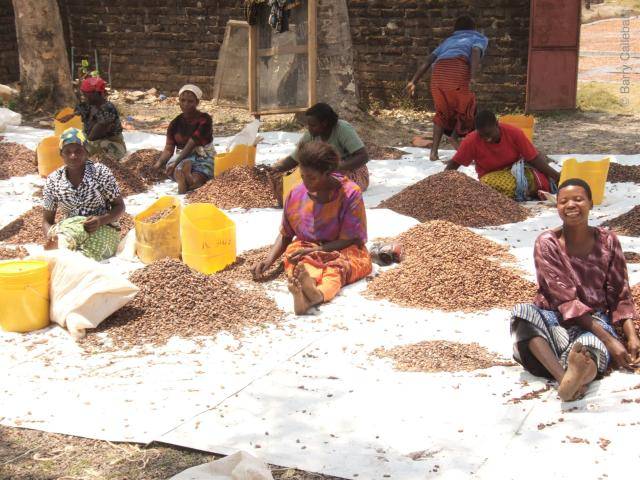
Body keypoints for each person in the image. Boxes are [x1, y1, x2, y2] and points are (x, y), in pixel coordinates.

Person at [510, 179, 640, 402]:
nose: (571, 205)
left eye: (578, 199)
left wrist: (631, 336)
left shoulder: (609, 241)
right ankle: (565, 379)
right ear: (557, 207)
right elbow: (565, 299)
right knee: (523, 313)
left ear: (591, 203)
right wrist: (611, 341)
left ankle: (578, 371)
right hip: (553, 319)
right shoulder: (547, 242)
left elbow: (620, 292)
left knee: (591, 348)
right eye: (563, 201)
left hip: (594, 321)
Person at [252, 141, 372, 315]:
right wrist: (268, 261)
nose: (306, 182)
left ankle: (317, 295)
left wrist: (319, 250)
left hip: (343, 248)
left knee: (336, 268)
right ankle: (307, 290)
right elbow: (286, 234)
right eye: (303, 176)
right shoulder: (295, 194)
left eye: (312, 178)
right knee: (301, 265)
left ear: (328, 173)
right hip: (305, 247)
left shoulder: (350, 193)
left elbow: (350, 238)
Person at [406, 15, 488, 162]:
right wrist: (473, 76)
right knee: (468, 109)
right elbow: (475, 52)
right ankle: (456, 140)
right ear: (473, 28)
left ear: (455, 30)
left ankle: (433, 153)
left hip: (438, 74)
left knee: (442, 112)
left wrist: (413, 81)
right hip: (457, 70)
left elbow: (429, 60)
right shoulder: (478, 38)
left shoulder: (449, 41)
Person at [42, 128, 126, 261]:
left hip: (103, 229)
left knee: (84, 258)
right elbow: (47, 220)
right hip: (70, 231)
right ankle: (61, 243)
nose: (73, 156)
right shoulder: (53, 180)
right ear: (61, 154)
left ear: (86, 152)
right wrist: (52, 237)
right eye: (67, 152)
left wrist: (100, 220)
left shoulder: (100, 172)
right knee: (73, 234)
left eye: (78, 151)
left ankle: (63, 248)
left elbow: (119, 206)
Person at [445, 110, 560, 201]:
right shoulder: (471, 141)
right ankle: (526, 192)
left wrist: (555, 175)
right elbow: (455, 163)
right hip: (490, 177)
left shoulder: (514, 133)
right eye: (482, 136)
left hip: (517, 171)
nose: (487, 139)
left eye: (489, 134)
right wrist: (440, 182)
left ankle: (530, 190)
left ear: (497, 124)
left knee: (541, 180)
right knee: (486, 187)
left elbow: (533, 158)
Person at [270, 102, 370, 192]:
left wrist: (337, 167)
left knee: (331, 182)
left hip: (352, 170)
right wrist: (274, 169)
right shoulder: (310, 135)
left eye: (313, 125)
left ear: (324, 123)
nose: (309, 128)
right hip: (324, 171)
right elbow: (294, 159)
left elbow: (363, 156)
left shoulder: (342, 129)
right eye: (308, 125)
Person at [153, 84, 215, 194]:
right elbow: (169, 149)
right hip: (183, 158)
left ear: (197, 102)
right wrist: (158, 164)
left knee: (202, 171)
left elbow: (193, 142)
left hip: (202, 155)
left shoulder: (205, 119)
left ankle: (189, 179)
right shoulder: (175, 123)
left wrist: (176, 162)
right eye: (183, 100)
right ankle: (187, 179)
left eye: (190, 101)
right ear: (179, 101)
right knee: (172, 168)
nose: (185, 104)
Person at [58, 77, 127, 160]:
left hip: (112, 144)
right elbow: (78, 111)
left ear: (97, 93)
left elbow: (92, 136)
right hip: (92, 142)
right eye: (83, 93)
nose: (84, 97)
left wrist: (80, 146)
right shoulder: (88, 105)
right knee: (70, 137)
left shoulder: (107, 110)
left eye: (87, 94)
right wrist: (70, 116)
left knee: (101, 147)